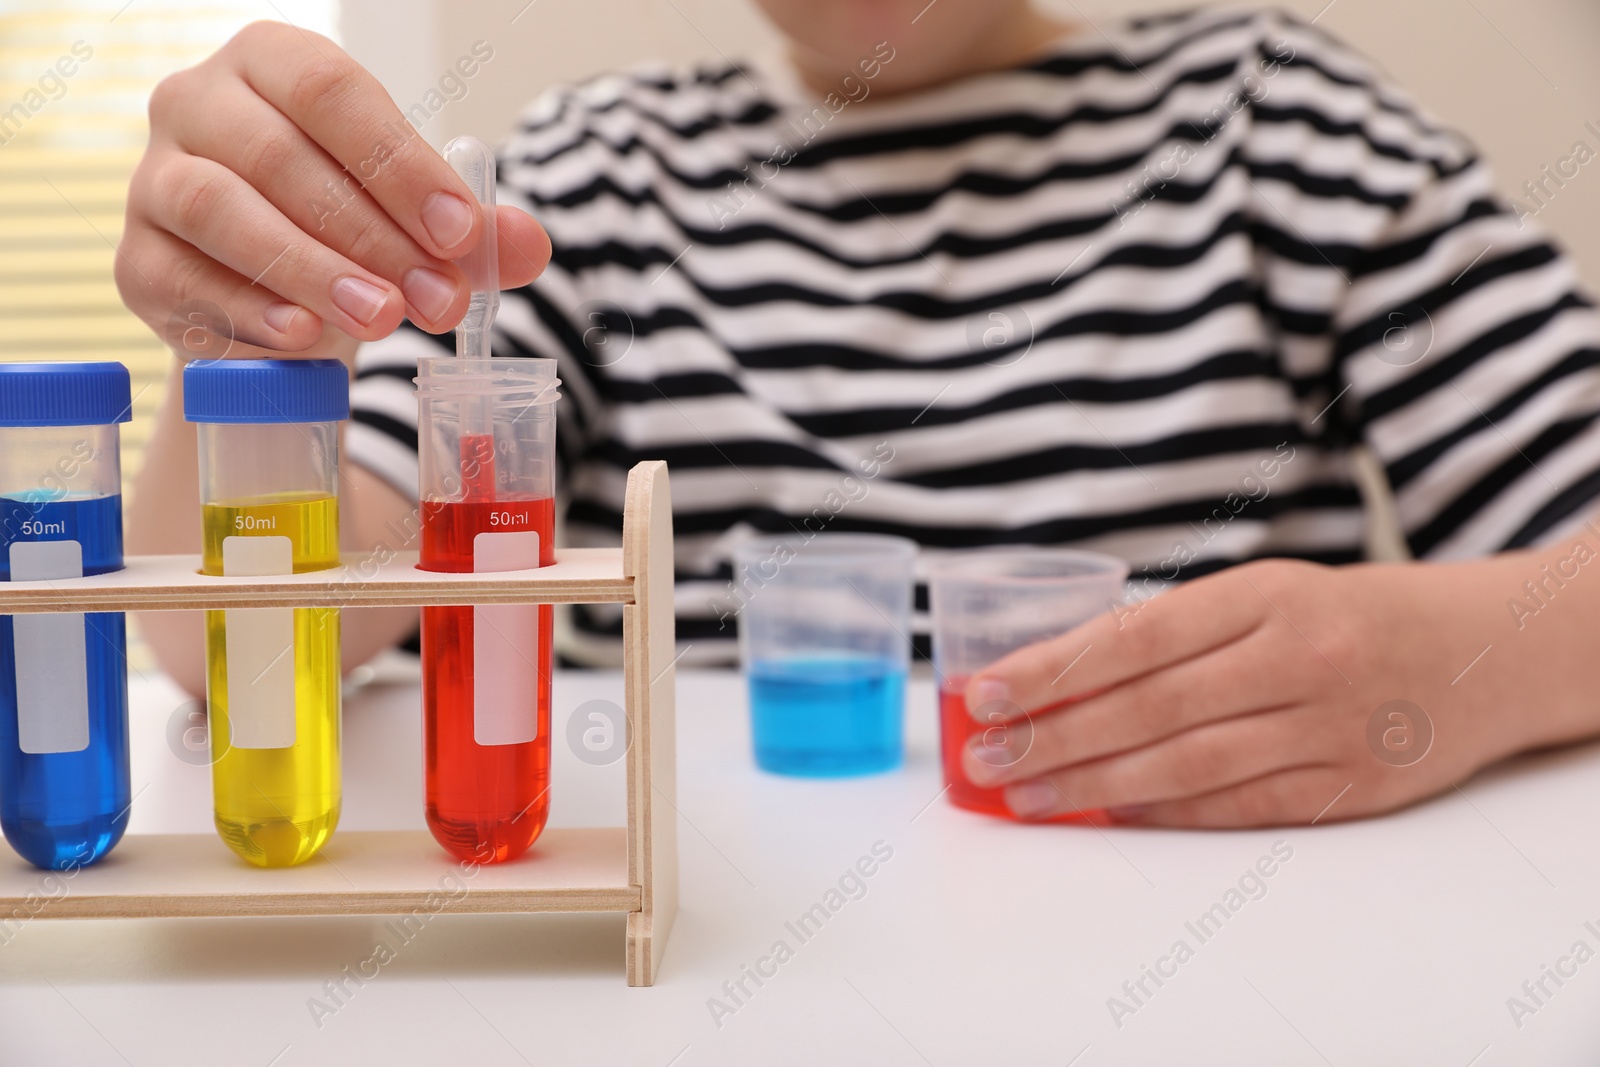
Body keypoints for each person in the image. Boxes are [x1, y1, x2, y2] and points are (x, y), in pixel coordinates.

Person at [117, 1, 1600, 828]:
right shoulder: (586, 184)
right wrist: (239, 333)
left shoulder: (1277, 121)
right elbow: (232, 640)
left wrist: (1450, 666)